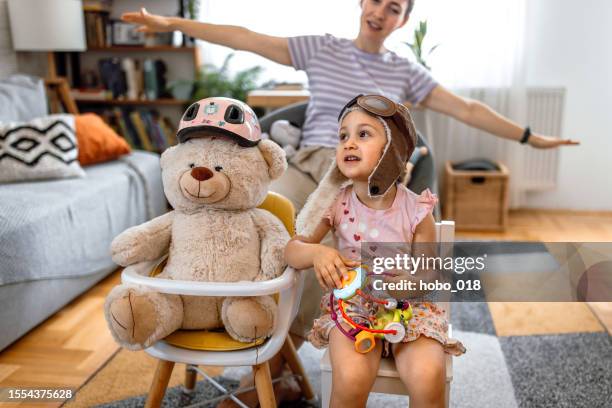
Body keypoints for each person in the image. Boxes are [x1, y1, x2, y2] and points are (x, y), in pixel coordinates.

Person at [121, 1, 578, 405]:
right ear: (362, 4)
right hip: (310, 166)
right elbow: (247, 39)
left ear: (403, 20)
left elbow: (469, 110)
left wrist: (531, 138)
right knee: (272, 240)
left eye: (395, 6)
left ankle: (279, 371)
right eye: (376, 0)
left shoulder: (405, 73)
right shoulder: (323, 48)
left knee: (339, 261)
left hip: (370, 176)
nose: (382, 11)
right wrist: (167, 21)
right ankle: (233, 330)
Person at [286, 94, 465, 408]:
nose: (349, 143)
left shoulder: (418, 209)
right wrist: (317, 254)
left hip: (409, 309)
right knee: (352, 379)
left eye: (363, 134)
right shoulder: (335, 203)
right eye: (343, 136)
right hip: (354, 308)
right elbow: (292, 250)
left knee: (428, 376)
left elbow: (428, 271)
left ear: (392, 150)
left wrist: (411, 281)